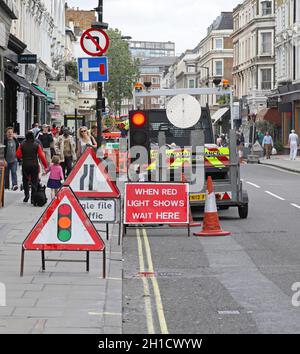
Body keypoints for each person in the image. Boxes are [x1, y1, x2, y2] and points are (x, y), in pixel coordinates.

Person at [16, 131, 48, 203]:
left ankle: (26, 195)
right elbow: (42, 156)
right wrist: (46, 166)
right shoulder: (36, 145)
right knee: (34, 181)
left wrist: (23, 156)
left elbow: (18, 155)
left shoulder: (22, 144)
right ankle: (33, 198)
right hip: (34, 165)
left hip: (25, 165)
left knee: (25, 180)